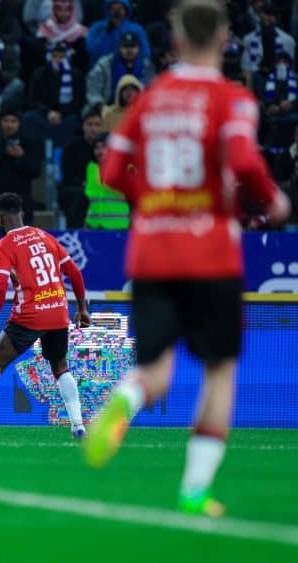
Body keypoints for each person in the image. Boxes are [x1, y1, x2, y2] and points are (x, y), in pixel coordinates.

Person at [84, 0, 292, 517]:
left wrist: (153, 202)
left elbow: (111, 169)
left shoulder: (150, 100)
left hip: (152, 250)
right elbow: (244, 159)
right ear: (224, 39)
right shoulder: (233, 98)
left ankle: (124, 402)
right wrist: (274, 202)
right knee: (219, 372)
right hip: (212, 254)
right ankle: (195, 490)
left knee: (155, 369)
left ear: (174, 40)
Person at [0, 191, 90, 439]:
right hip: (58, 312)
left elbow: (0, 287)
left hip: (29, 315)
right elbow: (75, 272)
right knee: (60, 366)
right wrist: (82, 308)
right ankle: (78, 426)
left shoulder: (3, 247)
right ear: (22, 213)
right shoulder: (45, 237)